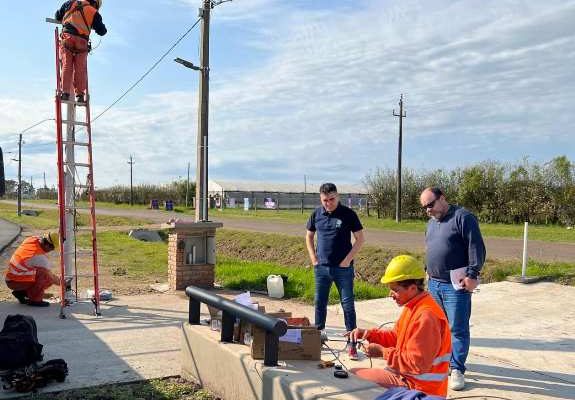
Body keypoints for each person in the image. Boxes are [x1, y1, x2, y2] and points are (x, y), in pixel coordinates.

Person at [349, 255, 452, 397]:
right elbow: (396, 337)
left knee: (353, 379)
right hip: (408, 379)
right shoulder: (414, 306)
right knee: (353, 376)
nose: (391, 294)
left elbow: (417, 364)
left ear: (412, 288)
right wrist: (368, 334)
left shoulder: (426, 316)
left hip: (420, 389)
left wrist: (382, 352)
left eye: (395, 290)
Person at [419, 187, 486, 391]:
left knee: (457, 328)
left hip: (454, 286)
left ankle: (457, 369)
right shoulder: (431, 224)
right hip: (434, 283)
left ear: (443, 198)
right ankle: (442, 363)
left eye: (430, 204)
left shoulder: (463, 218)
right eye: (424, 207)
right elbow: (430, 250)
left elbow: (477, 248)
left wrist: (472, 275)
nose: (428, 210)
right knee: (437, 328)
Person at [305, 183, 365, 348]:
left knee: (347, 304)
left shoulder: (348, 214)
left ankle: (352, 342)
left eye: (332, 199)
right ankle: (318, 338)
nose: (328, 203)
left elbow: (360, 239)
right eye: (325, 200)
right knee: (319, 303)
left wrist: (347, 260)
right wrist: (314, 259)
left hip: (343, 269)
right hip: (321, 268)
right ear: (320, 199)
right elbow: (309, 236)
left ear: (338, 196)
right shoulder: (316, 214)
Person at [55, 0, 107, 103]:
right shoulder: (93, 12)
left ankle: (65, 93)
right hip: (81, 43)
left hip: (67, 39)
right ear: (95, 4)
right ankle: (79, 95)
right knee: (80, 68)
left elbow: (57, 15)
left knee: (66, 65)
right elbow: (102, 31)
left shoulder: (70, 3)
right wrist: (93, 24)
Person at [5, 232, 61, 307]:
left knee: (39, 274)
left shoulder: (31, 239)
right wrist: (62, 283)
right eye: (52, 248)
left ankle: (21, 293)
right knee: (45, 276)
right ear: (47, 245)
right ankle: (35, 300)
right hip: (15, 282)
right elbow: (50, 277)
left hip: (10, 278)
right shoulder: (39, 257)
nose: (52, 250)